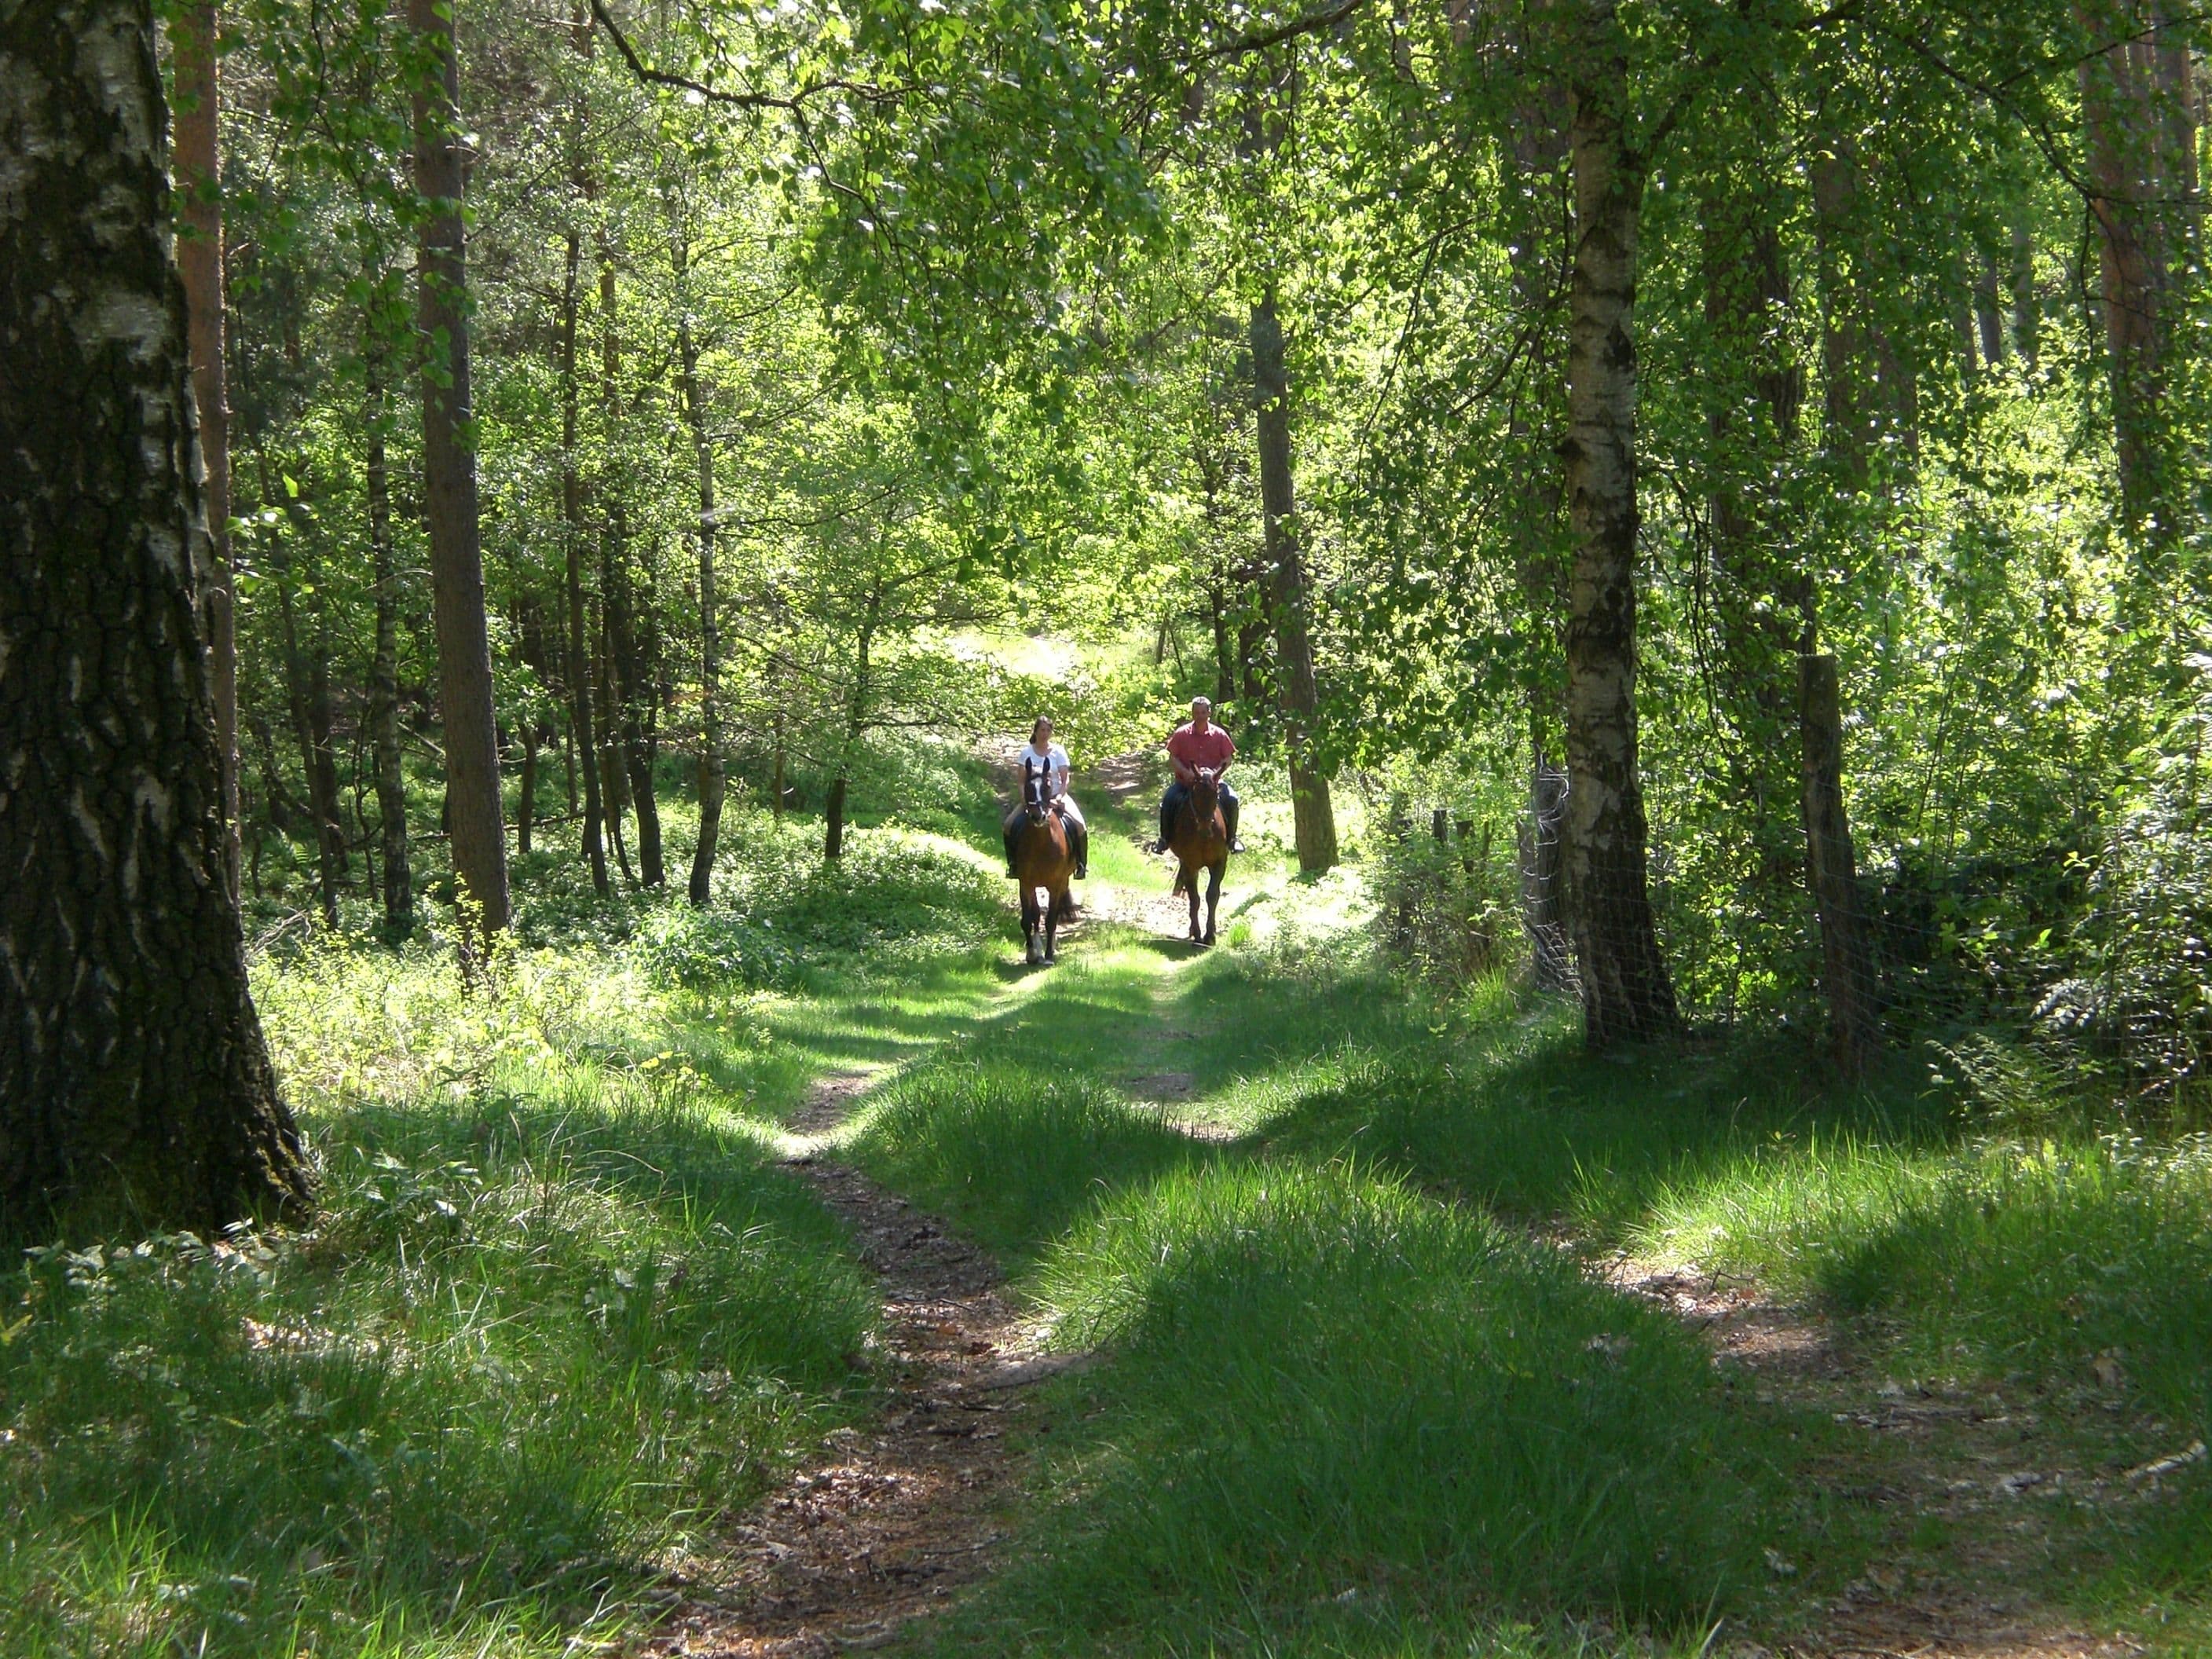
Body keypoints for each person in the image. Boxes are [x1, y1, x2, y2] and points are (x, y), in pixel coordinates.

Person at [1152, 696, 1244, 855]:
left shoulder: (1220, 735)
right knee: (1168, 800)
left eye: (1203, 712)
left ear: (1209, 713)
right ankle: (1164, 839)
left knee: (1232, 799)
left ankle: (1232, 839)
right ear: (1192, 714)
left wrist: (1215, 774)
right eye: (1197, 712)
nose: (1200, 716)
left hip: (1213, 784)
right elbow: (1173, 757)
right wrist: (1185, 772)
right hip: (1186, 783)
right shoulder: (1181, 734)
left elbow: (1228, 758)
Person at [1004, 716, 1088, 880]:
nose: (1045, 733)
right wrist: (1024, 800)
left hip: (1056, 796)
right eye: (1042, 730)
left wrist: (1059, 797)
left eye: (1048, 730)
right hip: (1033, 800)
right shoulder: (1026, 753)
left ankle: (1081, 864)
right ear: (1035, 731)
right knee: (1008, 825)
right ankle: (1013, 864)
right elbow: (1021, 781)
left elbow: (1065, 779)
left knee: (1080, 825)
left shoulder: (1058, 752)